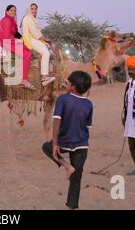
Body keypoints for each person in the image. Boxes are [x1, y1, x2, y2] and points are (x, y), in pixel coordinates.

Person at [42, 71, 93, 209]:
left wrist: (55, 144)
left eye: (68, 82)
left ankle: (66, 165)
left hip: (64, 143)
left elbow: (56, 122)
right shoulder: (89, 104)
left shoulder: (63, 99)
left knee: (47, 147)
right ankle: (72, 206)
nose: (65, 83)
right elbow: (87, 126)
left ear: (73, 86)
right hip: (82, 145)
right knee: (77, 177)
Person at [0, 5, 35, 89]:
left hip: (10, 40)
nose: (13, 12)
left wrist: (23, 38)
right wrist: (21, 41)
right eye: (11, 10)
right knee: (27, 53)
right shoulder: (7, 21)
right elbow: (7, 36)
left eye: (15, 10)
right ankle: (24, 79)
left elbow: (15, 33)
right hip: (6, 42)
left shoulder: (12, 21)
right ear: (6, 12)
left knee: (26, 46)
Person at [21, 3, 55, 86]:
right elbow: (34, 31)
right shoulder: (28, 18)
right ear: (29, 10)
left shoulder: (33, 19)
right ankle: (44, 76)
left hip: (34, 39)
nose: (34, 11)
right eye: (32, 9)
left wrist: (43, 40)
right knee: (46, 53)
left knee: (49, 49)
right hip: (29, 39)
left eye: (35, 9)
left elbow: (36, 32)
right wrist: (43, 39)